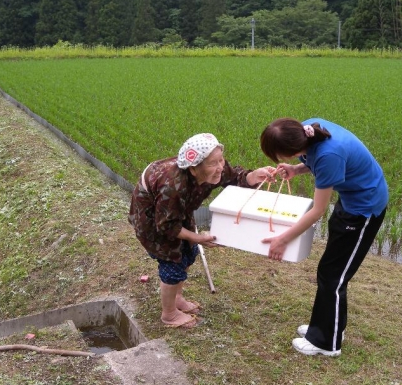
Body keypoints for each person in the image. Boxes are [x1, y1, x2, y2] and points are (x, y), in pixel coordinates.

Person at [259, 117, 388, 357]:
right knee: (330, 271)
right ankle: (329, 326)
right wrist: (297, 169)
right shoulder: (308, 129)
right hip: (350, 202)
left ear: (291, 149)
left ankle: (327, 343)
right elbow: (316, 160)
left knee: (334, 276)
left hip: (364, 209)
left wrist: (282, 239)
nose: (280, 161)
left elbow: (317, 211)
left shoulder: (329, 155)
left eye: (279, 156)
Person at [129, 133, 275, 329]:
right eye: (213, 163)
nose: (220, 167)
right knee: (172, 261)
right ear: (194, 168)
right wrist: (197, 237)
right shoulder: (173, 186)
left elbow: (234, 177)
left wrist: (254, 175)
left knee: (189, 251)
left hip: (177, 212)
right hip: (154, 220)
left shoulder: (213, 169)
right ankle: (169, 314)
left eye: (221, 159)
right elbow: (166, 226)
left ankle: (177, 299)